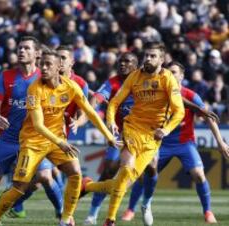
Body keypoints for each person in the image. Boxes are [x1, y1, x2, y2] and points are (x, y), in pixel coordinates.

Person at [0, 49, 116, 226]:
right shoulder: (35, 89)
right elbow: (38, 125)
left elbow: (90, 113)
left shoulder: (71, 86)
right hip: (32, 142)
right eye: (43, 64)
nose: (44, 68)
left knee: (75, 173)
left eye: (49, 64)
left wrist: (109, 136)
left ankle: (65, 220)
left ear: (58, 67)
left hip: (56, 140)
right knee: (19, 187)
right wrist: (60, 142)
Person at [82, 41, 185, 226]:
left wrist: (166, 129)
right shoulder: (133, 77)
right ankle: (108, 219)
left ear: (161, 60)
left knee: (126, 181)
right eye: (146, 55)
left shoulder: (168, 79)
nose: (148, 58)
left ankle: (89, 186)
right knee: (125, 168)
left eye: (153, 56)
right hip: (132, 128)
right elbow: (113, 103)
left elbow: (180, 111)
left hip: (153, 137)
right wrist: (111, 122)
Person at [123, 61, 229, 225]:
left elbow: (208, 117)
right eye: (168, 71)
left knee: (199, 175)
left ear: (182, 76)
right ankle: (130, 209)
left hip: (184, 143)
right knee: (143, 176)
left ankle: (208, 212)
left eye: (174, 72)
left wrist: (221, 142)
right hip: (160, 143)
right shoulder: (156, 92)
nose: (170, 75)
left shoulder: (191, 95)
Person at [0, 36, 63, 220]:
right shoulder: (6, 76)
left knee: (45, 176)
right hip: (8, 138)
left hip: (34, 140)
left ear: (37, 53)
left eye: (26, 48)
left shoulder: (44, 77)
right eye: (19, 48)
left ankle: (63, 216)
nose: (21, 51)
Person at [9, 44, 90, 217]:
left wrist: (78, 122)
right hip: (39, 137)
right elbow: (18, 81)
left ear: (70, 63)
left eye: (63, 58)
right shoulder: (42, 80)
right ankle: (61, 213)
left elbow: (86, 113)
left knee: (45, 178)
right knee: (44, 177)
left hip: (60, 138)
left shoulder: (80, 84)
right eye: (57, 58)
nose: (59, 63)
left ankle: (20, 205)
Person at [83, 52, 138, 225]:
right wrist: (91, 110)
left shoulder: (144, 81)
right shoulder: (112, 82)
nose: (122, 64)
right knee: (108, 171)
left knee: (150, 170)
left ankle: (145, 203)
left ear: (135, 66)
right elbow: (97, 99)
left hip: (143, 135)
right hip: (120, 134)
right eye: (120, 61)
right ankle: (93, 214)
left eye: (127, 61)